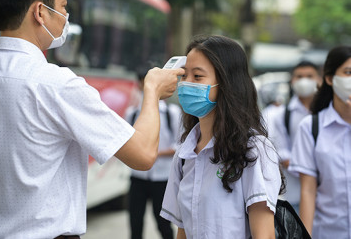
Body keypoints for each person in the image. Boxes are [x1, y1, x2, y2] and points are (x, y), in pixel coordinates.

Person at [0, 0, 184, 239]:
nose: (66, 17)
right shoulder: (57, 85)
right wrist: (151, 91)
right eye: (63, 7)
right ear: (40, 12)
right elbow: (142, 154)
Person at [160, 35, 283, 239]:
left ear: (226, 84)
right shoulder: (184, 154)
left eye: (197, 77)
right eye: (184, 76)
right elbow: (183, 230)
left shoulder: (253, 150)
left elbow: (264, 235)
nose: (186, 84)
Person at [289, 46, 351, 238]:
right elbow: (308, 190)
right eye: (348, 72)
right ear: (330, 78)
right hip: (327, 232)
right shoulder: (311, 127)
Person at [125, 69, 182, 239]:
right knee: (135, 223)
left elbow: (179, 145)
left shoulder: (172, 113)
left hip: (162, 178)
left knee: (163, 223)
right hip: (138, 178)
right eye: (143, 82)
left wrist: (153, 153)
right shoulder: (133, 113)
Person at [269, 61, 321, 212]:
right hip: (294, 194)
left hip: (325, 195)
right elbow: (280, 150)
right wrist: (306, 168)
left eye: (309, 76)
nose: (304, 80)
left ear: (319, 79)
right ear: (292, 81)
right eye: (299, 76)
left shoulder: (327, 112)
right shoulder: (282, 115)